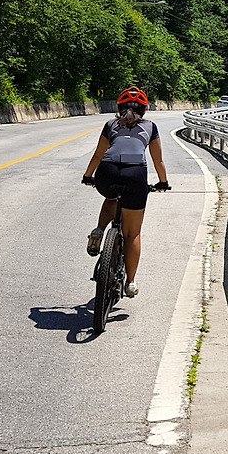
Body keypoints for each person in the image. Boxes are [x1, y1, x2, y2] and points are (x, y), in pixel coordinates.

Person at [81, 86, 170, 297]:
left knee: (111, 195)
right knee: (132, 234)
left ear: (119, 107)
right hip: (135, 174)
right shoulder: (150, 126)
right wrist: (163, 182)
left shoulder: (110, 124)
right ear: (144, 109)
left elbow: (98, 154)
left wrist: (87, 176)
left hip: (107, 172)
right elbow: (157, 160)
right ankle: (130, 282)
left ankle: (99, 230)